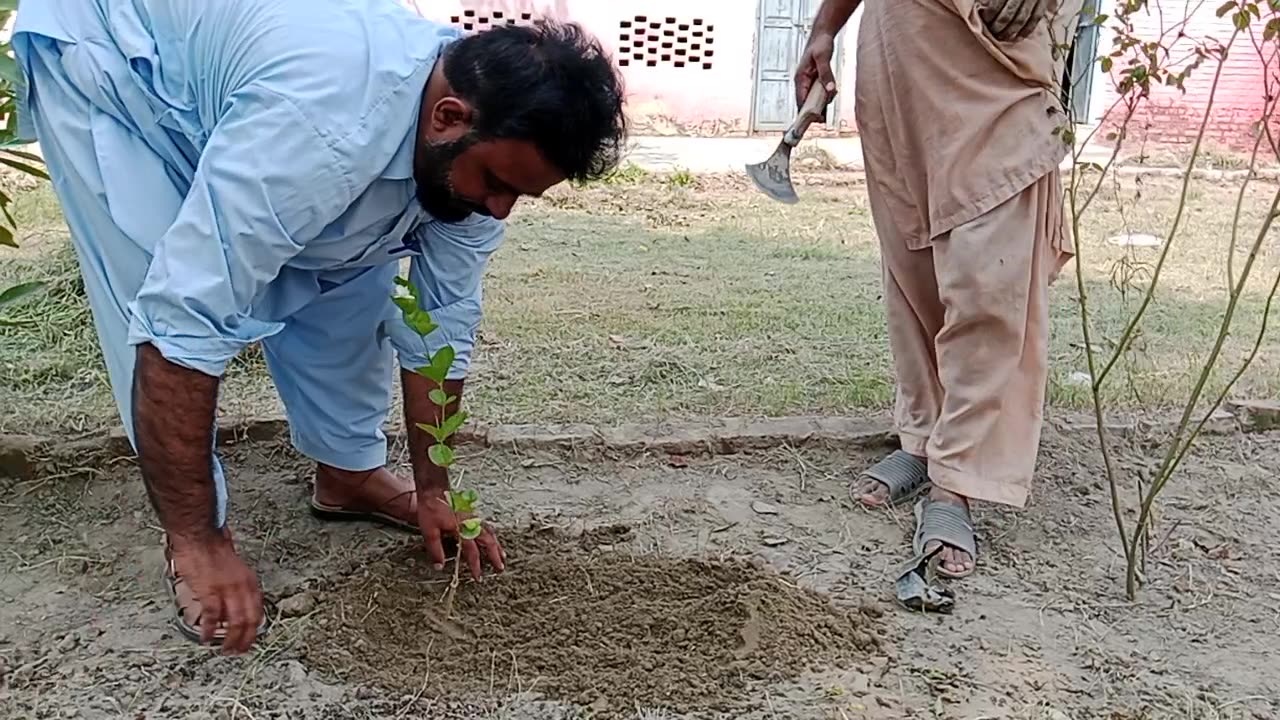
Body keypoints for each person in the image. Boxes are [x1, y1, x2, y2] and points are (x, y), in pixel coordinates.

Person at [13, 0, 626, 654]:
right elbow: (181, 324)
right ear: (448, 117)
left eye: (520, 196)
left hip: (266, 87)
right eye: (497, 183)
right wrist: (201, 541)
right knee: (160, 272)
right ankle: (193, 543)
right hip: (116, 65)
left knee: (355, 266)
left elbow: (439, 326)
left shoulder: (469, 132)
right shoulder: (319, 132)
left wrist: (435, 489)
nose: (499, 212)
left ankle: (347, 473)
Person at [796, 0, 1083, 577]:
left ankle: (957, 479)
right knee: (912, 263)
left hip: (996, 49)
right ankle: (923, 436)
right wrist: (825, 26)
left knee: (989, 282)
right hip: (900, 47)